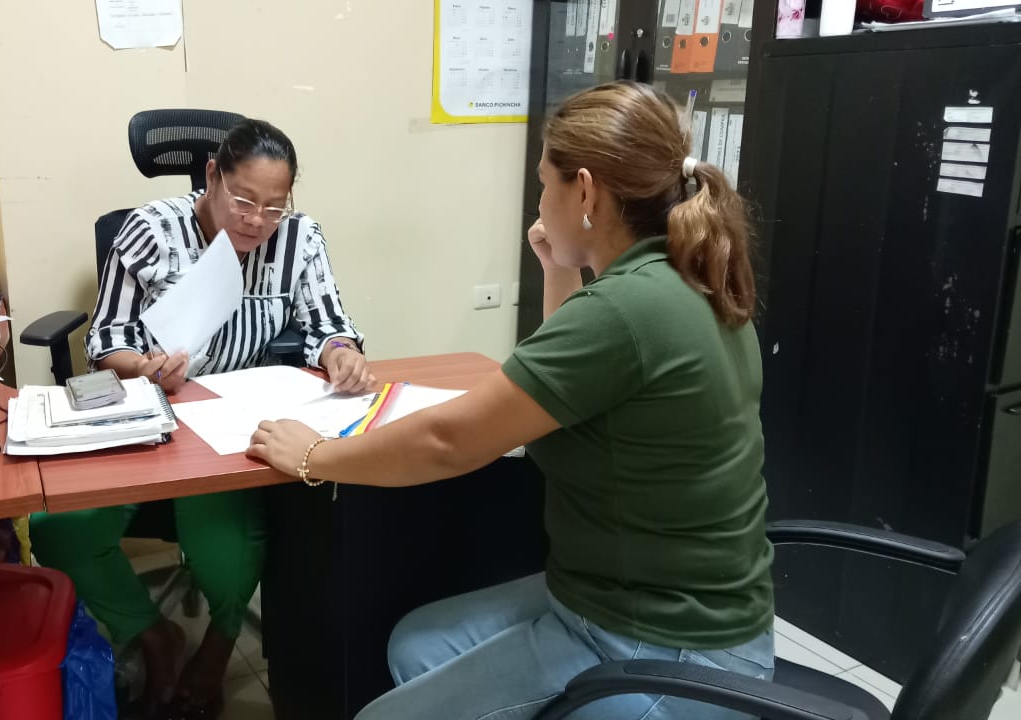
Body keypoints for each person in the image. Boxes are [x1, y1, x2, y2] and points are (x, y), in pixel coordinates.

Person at [248, 81, 775, 720]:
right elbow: (570, 390)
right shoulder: (679, 277)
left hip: (660, 642)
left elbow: (448, 441)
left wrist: (315, 456)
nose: (540, 202)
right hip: (641, 604)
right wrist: (559, 270)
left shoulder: (626, 309)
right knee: (418, 645)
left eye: (544, 184)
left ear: (585, 192)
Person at [31, 118, 370, 720]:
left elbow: (329, 325)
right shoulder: (150, 231)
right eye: (243, 200)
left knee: (225, 548)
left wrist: (341, 353)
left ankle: (219, 642)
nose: (257, 220)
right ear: (212, 176)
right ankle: (152, 633)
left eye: (274, 206)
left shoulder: (299, 238)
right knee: (61, 529)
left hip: (234, 427)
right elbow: (105, 340)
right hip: (151, 416)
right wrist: (144, 366)